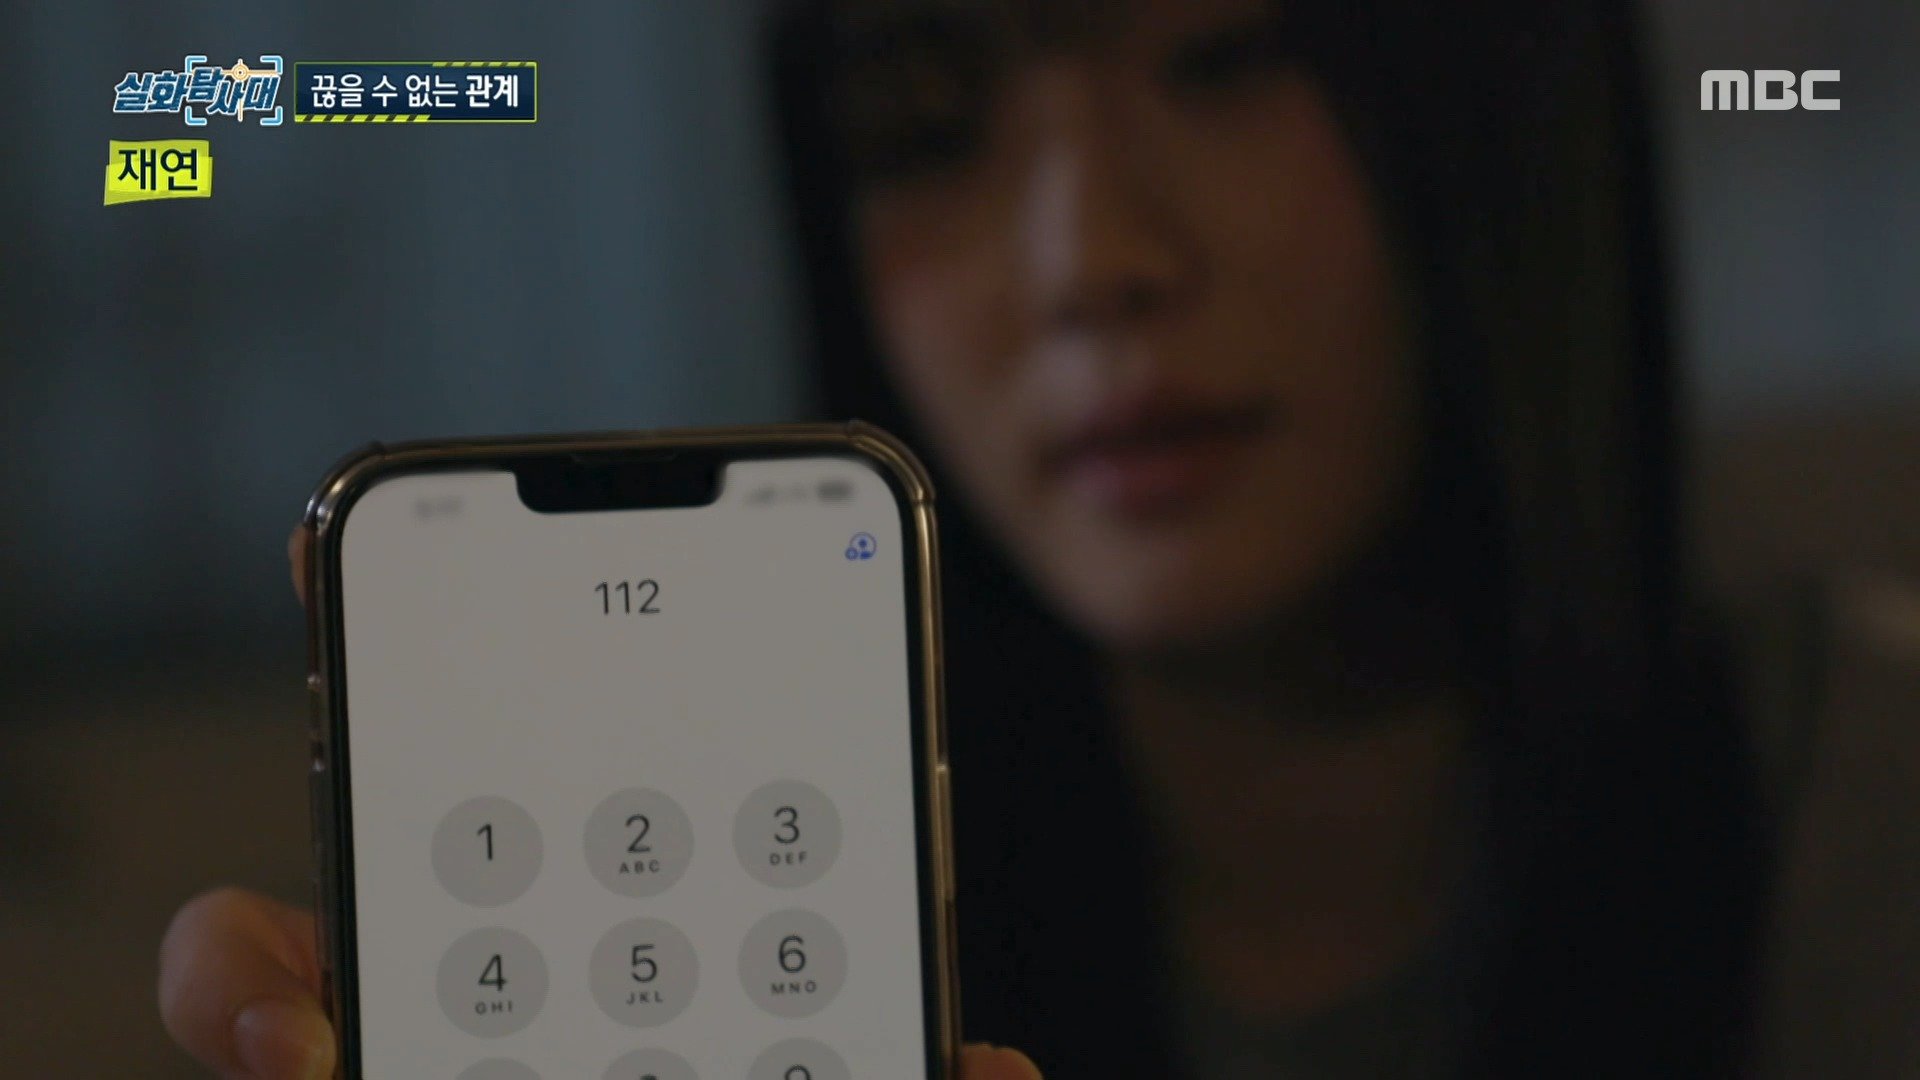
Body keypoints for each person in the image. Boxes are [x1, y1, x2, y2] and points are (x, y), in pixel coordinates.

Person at [159, 0, 1767, 1076]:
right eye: (921, 128)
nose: (1086, 259)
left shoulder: (1849, 831)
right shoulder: (808, 922)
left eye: (1223, 58)